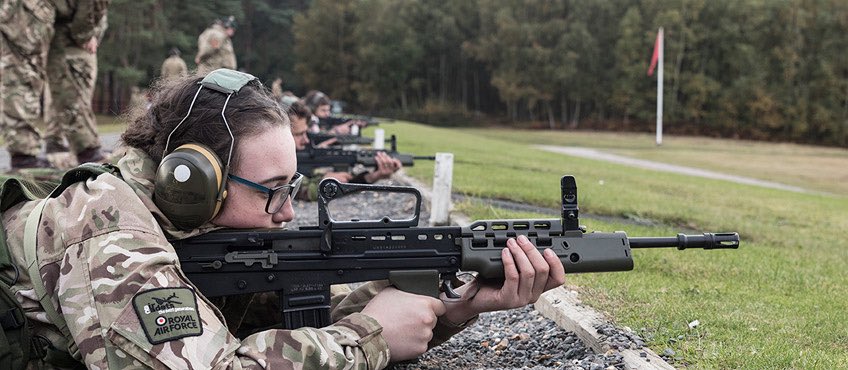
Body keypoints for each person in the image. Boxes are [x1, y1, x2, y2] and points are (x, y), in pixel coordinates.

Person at [0, 69, 565, 368]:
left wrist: (450, 308)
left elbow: (270, 333)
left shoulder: (194, 229)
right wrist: (367, 339)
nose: (289, 211)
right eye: (271, 191)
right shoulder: (108, 227)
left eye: (292, 187)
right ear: (195, 183)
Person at [287, 100, 401, 200]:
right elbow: (302, 191)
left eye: (306, 133)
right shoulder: (284, 164)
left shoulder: (298, 155)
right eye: (299, 134)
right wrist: (324, 181)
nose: (306, 140)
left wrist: (373, 176)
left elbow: (343, 181)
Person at [43, 0, 111, 170]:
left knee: (63, 91)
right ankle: (84, 151)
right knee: (71, 93)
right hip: (73, 40)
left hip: (67, 38)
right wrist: (86, 35)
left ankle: (61, 146)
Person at [0, 0, 55, 169]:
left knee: (22, 76)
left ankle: (24, 154)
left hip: (24, 17)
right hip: (21, 16)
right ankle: (23, 155)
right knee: (20, 78)